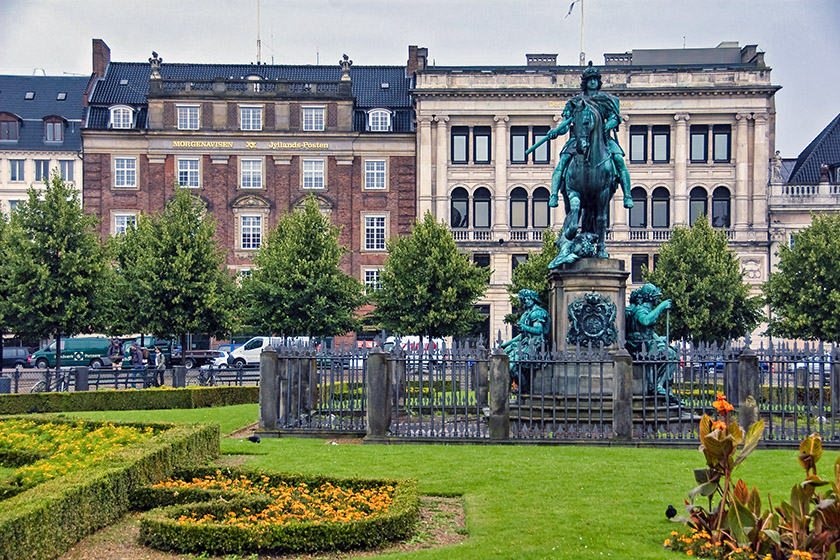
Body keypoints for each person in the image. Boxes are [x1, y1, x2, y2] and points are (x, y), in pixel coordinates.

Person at [546, 63, 633, 223]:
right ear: (585, 82)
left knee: (619, 160)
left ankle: (627, 194)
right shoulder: (575, 102)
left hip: (603, 140)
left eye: (595, 79)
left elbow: (614, 118)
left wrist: (606, 126)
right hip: (578, 139)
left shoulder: (608, 100)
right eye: (589, 79)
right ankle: (553, 195)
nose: (592, 82)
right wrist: (556, 132)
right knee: (563, 162)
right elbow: (566, 124)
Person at [625, 283, 678, 401]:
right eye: (656, 296)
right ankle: (657, 386)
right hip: (639, 346)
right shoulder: (641, 310)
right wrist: (661, 306)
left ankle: (662, 386)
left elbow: (649, 332)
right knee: (670, 354)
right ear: (651, 296)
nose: (658, 298)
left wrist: (659, 339)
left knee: (671, 352)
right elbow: (645, 321)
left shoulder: (646, 309)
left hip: (646, 343)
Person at [500, 289, 550, 394]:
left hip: (537, 344)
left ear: (533, 299)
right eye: (524, 299)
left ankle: (524, 388)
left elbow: (539, 330)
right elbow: (522, 335)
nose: (526, 301)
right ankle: (522, 388)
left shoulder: (537, 313)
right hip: (527, 342)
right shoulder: (527, 313)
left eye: (528, 298)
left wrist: (525, 327)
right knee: (505, 360)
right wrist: (506, 344)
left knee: (512, 365)